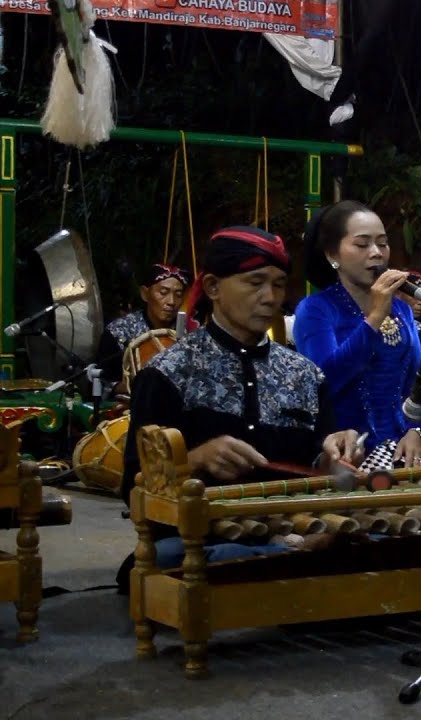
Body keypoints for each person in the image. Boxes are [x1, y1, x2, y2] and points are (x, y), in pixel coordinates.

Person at [120, 226, 365, 571]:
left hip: (293, 528)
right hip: (204, 538)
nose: (270, 297)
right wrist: (194, 459)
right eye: (255, 282)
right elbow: (134, 485)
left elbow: (319, 468)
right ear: (213, 287)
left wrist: (336, 458)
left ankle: (289, 558)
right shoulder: (167, 373)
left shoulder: (306, 375)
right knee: (177, 557)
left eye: (278, 284)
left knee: (380, 543)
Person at [292, 201, 421, 471]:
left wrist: (416, 431)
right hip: (347, 452)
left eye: (383, 243)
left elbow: (417, 383)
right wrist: (375, 317)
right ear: (333, 255)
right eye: (362, 244)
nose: (376, 253)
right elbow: (325, 380)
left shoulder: (401, 309)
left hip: (400, 449)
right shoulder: (316, 309)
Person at [95, 263, 192, 395]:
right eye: (163, 293)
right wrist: (132, 388)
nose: (171, 301)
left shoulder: (190, 333)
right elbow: (100, 382)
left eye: (179, 294)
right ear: (145, 294)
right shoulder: (119, 331)